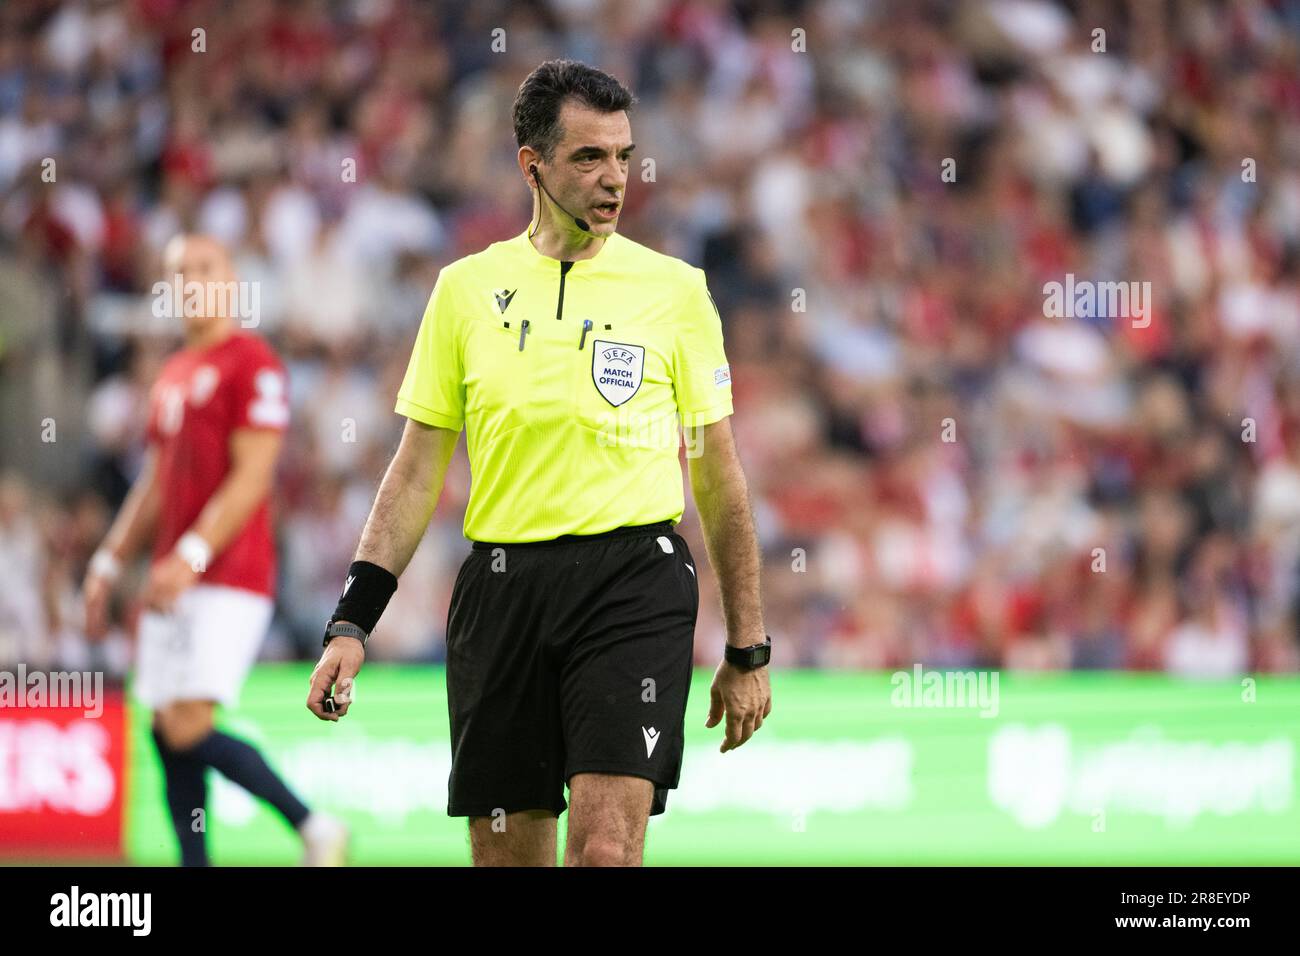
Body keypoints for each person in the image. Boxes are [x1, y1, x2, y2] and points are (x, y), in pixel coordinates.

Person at [307, 59, 772, 867]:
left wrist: (748, 647)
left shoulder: (676, 291)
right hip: (500, 592)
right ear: (533, 165)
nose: (615, 179)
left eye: (624, 156)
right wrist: (353, 621)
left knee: (605, 853)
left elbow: (718, 478)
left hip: (633, 582)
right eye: (589, 157)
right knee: (506, 861)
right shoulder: (463, 291)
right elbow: (415, 471)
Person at [84, 234, 347, 866]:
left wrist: (194, 553)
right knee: (164, 726)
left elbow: (252, 475)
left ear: (230, 277)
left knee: (185, 725)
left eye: (204, 267)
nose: (192, 281)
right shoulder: (172, 374)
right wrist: (110, 559)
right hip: (174, 575)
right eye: (179, 273)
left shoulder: (252, 362)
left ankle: (313, 825)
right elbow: (155, 481)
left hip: (228, 573)